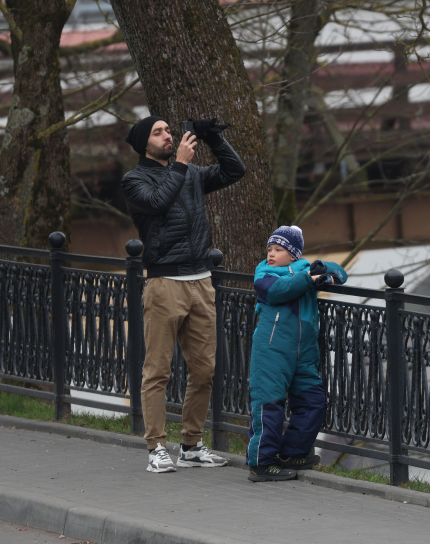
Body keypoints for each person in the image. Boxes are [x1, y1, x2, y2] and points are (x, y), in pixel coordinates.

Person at [121, 115, 246, 473]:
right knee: (158, 370)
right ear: (144, 143)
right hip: (165, 284)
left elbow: (234, 171)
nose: (167, 136)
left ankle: (190, 446)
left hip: (201, 281)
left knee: (204, 370)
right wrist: (180, 164)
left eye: (168, 131)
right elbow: (158, 202)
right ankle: (156, 448)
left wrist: (213, 140)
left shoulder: (190, 173)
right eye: (158, 133)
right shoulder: (135, 180)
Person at [246, 225, 346, 482]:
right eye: (270, 249)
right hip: (272, 349)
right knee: (269, 406)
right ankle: (261, 463)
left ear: (294, 254)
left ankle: (291, 454)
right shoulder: (264, 272)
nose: (271, 254)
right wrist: (309, 279)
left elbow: (341, 272)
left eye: (278, 249)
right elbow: (279, 291)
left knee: (314, 402)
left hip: (304, 353)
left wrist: (325, 272)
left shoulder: (305, 269)